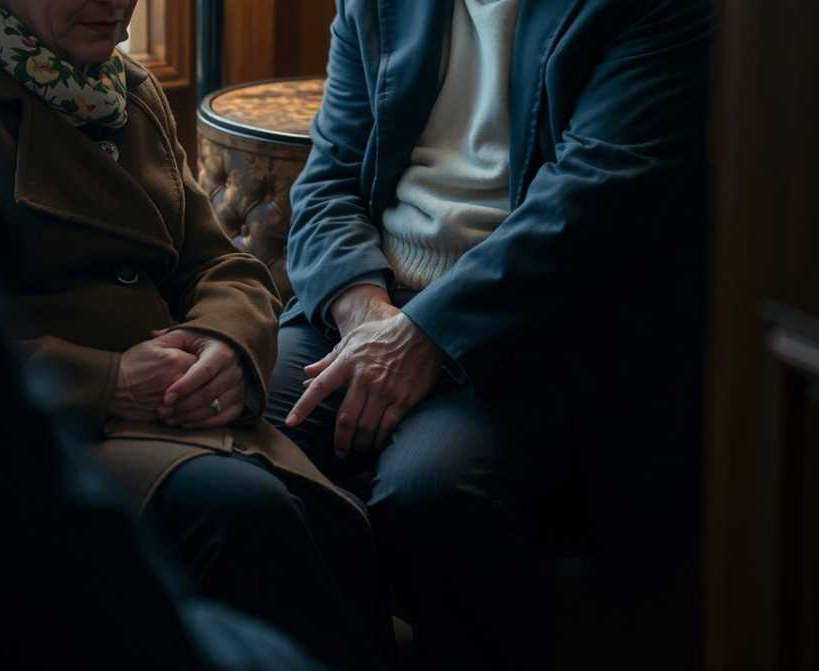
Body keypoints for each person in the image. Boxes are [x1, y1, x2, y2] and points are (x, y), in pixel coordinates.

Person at [0, 1, 390, 668]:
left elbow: (220, 263)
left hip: (172, 408)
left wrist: (225, 341)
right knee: (247, 515)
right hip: (45, 438)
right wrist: (110, 381)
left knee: (333, 522)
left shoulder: (124, 87)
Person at [266, 0, 714, 669]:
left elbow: (593, 206)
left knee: (429, 493)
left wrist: (423, 332)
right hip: (371, 300)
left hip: (528, 331)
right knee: (237, 447)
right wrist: (367, 316)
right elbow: (327, 179)